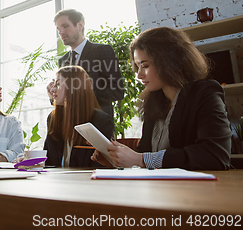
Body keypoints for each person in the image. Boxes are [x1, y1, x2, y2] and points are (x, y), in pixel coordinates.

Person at [92, 27, 232, 170]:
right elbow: (146, 153)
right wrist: (118, 158)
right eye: (137, 66)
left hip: (201, 190)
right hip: (163, 189)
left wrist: (140, 159)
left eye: (145, 65)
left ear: (170, 61)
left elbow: (215, 155)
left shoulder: (204, 93)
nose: (139, 75)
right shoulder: (153, 102)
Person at [48, 9, 124, 117]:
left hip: (98, 125)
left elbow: (117, 91)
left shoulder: (102, 51)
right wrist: (53, 95)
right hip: (70, 126)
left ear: (79, 26)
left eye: (65, 26)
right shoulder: (63, 60)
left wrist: (80, 94)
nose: (61, 32)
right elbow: (64, 100)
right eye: (58, 28)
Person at [44, 66, 114, 167]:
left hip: (86, 181)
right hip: (57, 181)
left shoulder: (101, 121)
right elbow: (48, 161)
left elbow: (101, 165)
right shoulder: (53, 118)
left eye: (58, 84)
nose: (52, 89)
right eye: (53, 84)